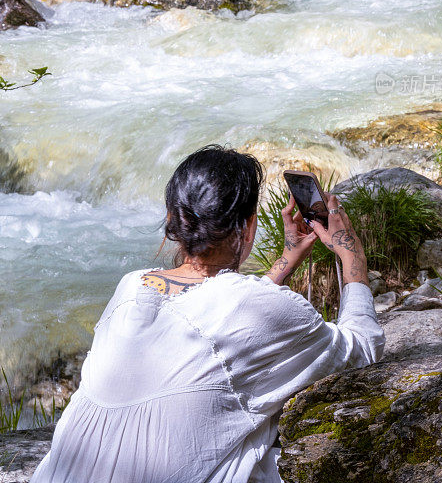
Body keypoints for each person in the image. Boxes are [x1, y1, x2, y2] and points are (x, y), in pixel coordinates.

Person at [31, 145, 385, 483]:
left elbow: (215, 316)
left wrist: (286, 259)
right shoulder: (259, 307)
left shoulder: (132, 287)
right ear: (248, 226)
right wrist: (352, 256)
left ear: (173, 219)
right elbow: (363, 347)